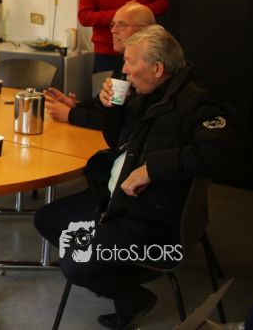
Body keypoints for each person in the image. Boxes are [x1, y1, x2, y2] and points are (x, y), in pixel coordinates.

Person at [34, 25, 235, 330]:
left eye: (129, 61)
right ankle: (118, 274)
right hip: (116, 200)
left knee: (74, 263)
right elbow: (117, 140)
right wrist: (112, 106)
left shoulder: (195, 102)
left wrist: (151, 169)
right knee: (46, 219)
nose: (124, 70)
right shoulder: (146, 94)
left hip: (148, 217)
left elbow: (218, 152)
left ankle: (132, 295)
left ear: (157, 68)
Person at [44, 2, 154, 129]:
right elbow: (108, 103)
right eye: (112, 25)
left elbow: (122, 121)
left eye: (122, 25)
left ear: (145, 29)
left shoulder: (147, 67)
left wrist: (70, 114)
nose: (113, 30)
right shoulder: (123, 59)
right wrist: (76, 106)